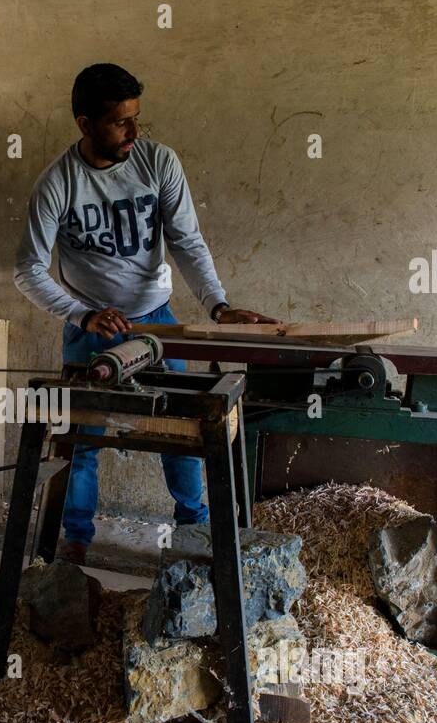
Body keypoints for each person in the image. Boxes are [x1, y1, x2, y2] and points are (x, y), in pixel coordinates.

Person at [14, 63, 277, 563]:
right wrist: (81, 314)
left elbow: (187, 243)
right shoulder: (57, 183)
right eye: (120, 122)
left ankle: (193, 534)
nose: (134, 132)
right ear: (85, 123)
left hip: (157, 322)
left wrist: (217, 305)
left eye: (137, 119)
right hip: (90, 330)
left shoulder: (158, 162)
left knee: (179, 431)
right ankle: (75, 544)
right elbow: (28, 269)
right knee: (81, 442)